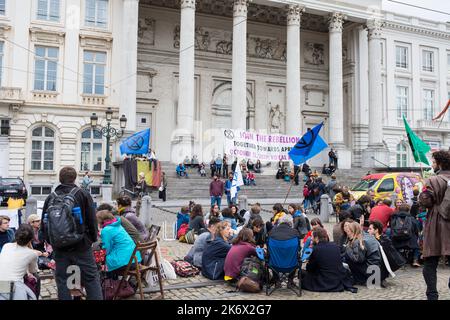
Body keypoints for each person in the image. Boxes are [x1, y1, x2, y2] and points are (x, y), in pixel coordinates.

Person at [40, 166, 102, 300]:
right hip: (81, 244)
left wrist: (52, 242)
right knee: (91, 278)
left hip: (60, 247)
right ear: (75, 178)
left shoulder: (51, 197)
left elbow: (44, 224)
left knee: (62, 280)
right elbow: (92, 220)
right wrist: (90, 239)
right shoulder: (83, 194)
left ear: (59, 179)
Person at [421, 150, 450, 300]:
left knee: (430, 262)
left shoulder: (433, 180)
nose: (432, 165)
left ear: (439, 163)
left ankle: (432, 295)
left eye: (433, 162)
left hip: (436, 225)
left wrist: (422, 191)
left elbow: (425, 202)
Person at [0, 224, 43, 300]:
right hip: (15, 286)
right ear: (31, 239)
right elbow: (33, 270)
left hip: (1, 283)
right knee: (36, 278)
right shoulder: (32, 253)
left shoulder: (6, 246)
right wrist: (32, 249)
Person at [302, 227, 351, 292]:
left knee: (303, 274)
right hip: (338, 278)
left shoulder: (316, 249)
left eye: (312, 236)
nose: (311, 238)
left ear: (316, 238)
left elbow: (310, 268)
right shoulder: (334, 246)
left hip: (325, 280)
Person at [96, 210, 141, 277]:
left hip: (124, 263)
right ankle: (115, 284)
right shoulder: (118, 226)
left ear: (102, 221)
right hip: (136, 260)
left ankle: (110, 285)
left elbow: (106, 250)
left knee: (97, 264)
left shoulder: (106, 230)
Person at [268, 214, 301, 287]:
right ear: (291, 223)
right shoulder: (295, 233)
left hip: (274, 265)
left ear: (280, 222)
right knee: (294, 256)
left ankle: (277, 281)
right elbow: (299, 249)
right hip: (292, 266)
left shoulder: (271, 233)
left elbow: (268, 250)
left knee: (273, 256)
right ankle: (290, 281)